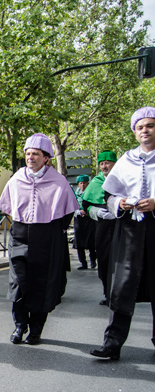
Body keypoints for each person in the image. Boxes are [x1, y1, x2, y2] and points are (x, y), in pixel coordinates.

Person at [0, 133, 78, 346]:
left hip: (47, 238)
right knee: (18, 283)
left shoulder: (58, 181)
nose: (30, 157)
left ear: (46, 158)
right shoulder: (16, 178)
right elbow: (7, 207)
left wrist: (50, 228)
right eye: (28, 153)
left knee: (42, 285)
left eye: (35, 154)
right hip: (20, 235)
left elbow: (66, 213)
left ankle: (36, 330)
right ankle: (19, 325)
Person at [90, 107, 155, 360]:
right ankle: (112, 344)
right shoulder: (126, 160)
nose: (145, 131)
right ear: (134, 131)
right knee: (121, 285)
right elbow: (109, 195)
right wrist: (121, 203)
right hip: (129, 228)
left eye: (150, 126)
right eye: (140, 127)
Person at [81, 151, 118, 305]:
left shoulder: (122, 179)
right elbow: (86, 205)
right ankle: (107, 293)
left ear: (114, 163)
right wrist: (96, 212)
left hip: (120, 225)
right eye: (102, 164)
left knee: (121, 260)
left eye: (107, 163)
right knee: (103, 259)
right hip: (102, 227)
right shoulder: (96, 182)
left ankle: (120, 294)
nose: (104, 166)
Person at [72, 174, 97, 270]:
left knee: (91, 241)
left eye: (85, 183)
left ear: (88, 183)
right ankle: (83, 263)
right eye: (81, 183)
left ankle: (93, 261)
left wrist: (87, 211)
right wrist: (78, 211)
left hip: (89, 219)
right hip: (79, 220)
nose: (83, 185)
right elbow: (72, 205)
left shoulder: (91, 193)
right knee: (79, 242)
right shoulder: (75, 194)